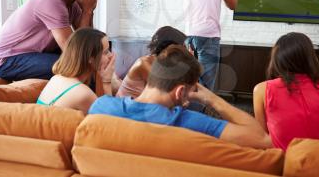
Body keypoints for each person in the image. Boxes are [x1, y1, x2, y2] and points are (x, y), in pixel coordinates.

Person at [90, 45, 272, 149]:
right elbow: (262, 138)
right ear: (180, 92)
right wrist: (211, 98)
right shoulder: (189, 122)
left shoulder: (101, 107)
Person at [253, 32, 319, 151]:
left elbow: (261, 137)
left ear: (278, 58)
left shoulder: (261, 90)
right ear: (310, 58)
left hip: (281, 165)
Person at [184, 0, 237, 93]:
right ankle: (200, 113)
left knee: (190, 78)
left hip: (189, 34)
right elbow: (233, 5)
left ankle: (188, 111)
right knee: (206, 82)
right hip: (208, 35)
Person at [37, 28, 115, 115]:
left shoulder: (56, 78)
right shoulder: (83, 94)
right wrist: (107, 81)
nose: (111, 55)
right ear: (90, 58)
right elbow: (109, 120)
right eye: (106, 52)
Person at [115, 26, 187, 99]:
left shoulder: (163, 64)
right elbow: (167, 89)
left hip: (141, 105)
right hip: (126, 107)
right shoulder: (143, 63)